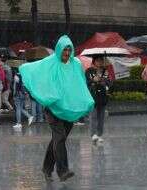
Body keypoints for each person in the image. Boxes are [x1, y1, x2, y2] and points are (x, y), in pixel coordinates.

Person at [19, 35, 94, 182]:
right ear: (59, 50)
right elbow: (37, 71)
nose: (66, 53)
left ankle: (47, 168)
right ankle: (63, 170)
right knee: (59, 138)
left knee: (58, 139)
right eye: (64, 50)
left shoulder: (76, 64)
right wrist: (45, 95)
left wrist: (84, 101)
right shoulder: (51, 63)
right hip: (53, 108)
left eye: (69, 50)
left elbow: (80, 84)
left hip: (69, 109)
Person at [86, 56, 111, 143]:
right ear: (94, 61)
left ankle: (99, 134)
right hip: (93, 96)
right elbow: (87, 82)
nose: (99, 62)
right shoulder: (89, 71)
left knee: (101, 118)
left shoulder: (105, 71)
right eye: (97, 61)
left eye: (101, 60)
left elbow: (108, 82)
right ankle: (93, 134)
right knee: (93, 116)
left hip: (103, 96)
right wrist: (93, 80)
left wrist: (104, 81)